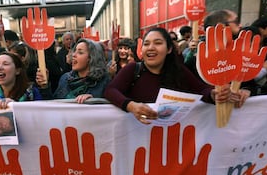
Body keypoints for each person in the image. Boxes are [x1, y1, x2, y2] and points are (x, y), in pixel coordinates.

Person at [104, 27, 249, 124]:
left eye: (158, 43)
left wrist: (214, 95)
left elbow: (201, 90)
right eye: (146, 44)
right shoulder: (132, 69)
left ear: (168, 49)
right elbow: (110, 91)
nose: (151, 48)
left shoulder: (179, 71)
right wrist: (131, 106)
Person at [37, 38, 110, 103]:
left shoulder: (104, 81)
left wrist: (94, 101)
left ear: (91, 58)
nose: (74, 55)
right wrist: (44, 87)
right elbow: (54, 107)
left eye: (80, 52)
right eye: (74, 51)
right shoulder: (65, 79)